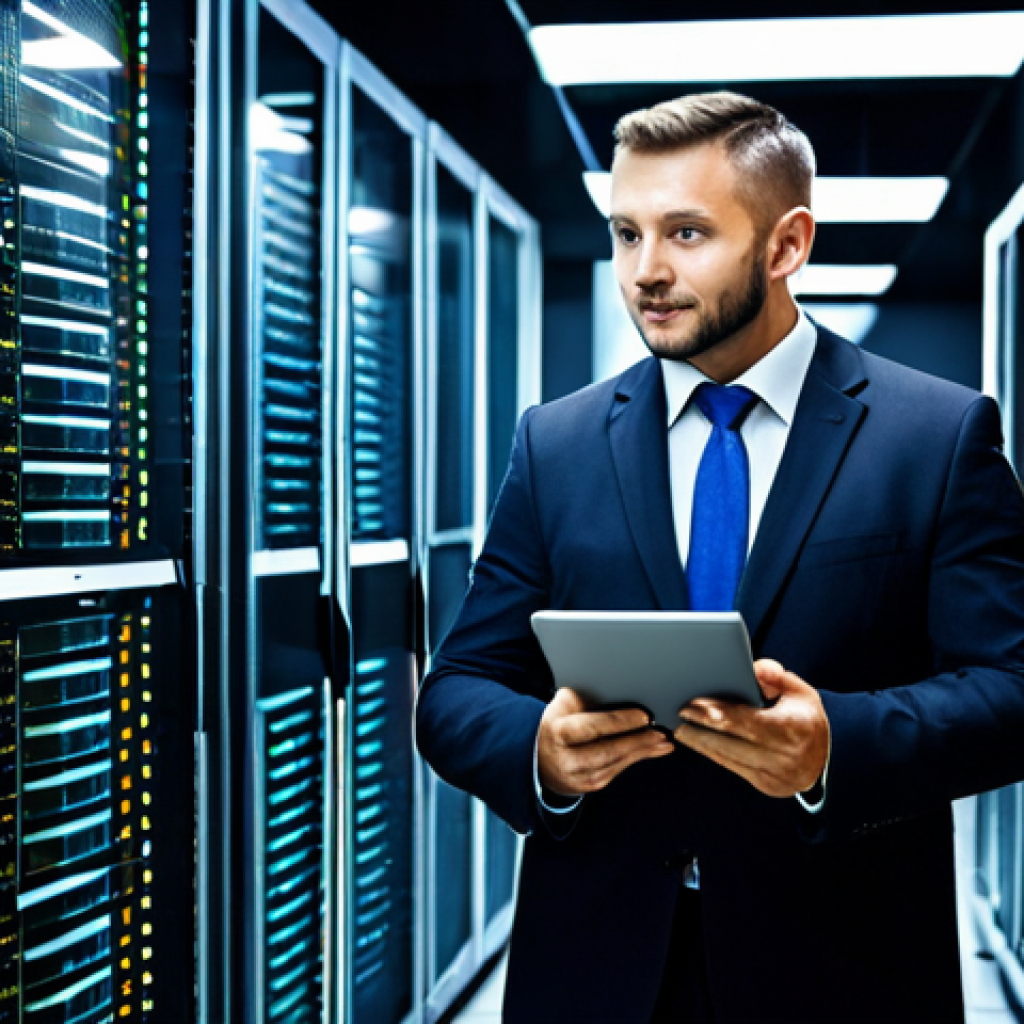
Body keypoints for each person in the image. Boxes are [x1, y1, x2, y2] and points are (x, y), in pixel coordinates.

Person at [415, 91, 1024, 1023]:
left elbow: (1013, 688)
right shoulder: (557, 442)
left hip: (841, 968)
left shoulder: (935, 435)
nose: (645, 273)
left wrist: (835, 746)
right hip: (599, 969)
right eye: (626, 233)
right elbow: (457, 689)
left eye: (687, 233)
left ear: (786, 246)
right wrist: (538, 750)